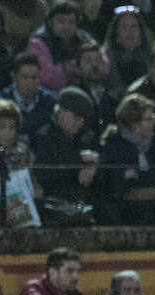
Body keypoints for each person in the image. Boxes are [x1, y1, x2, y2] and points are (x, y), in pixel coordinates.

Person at [31, 85, 101, 217]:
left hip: (86, 200)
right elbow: (45, 175)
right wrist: (80, 160)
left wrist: (94, 164)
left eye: (83, 118)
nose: (80, 122)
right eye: (75, 117)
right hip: (56, 201)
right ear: (61, 111)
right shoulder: (44, 136)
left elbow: (104, 170)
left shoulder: (88, 137)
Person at [100, 92, 155, 226]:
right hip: (124, 207)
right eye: (149, 119)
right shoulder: (115, 143)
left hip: (153, 203)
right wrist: (140, 184)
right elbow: (117, 184)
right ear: (134, 124)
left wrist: (136, 178)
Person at [27, 0, 99, 93]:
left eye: (71, 22)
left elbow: (104, 64)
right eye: (61, 20)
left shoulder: (84, 39)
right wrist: (70, 68)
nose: (66, 26)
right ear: (50, 21)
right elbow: (44, 77)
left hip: (85, 91)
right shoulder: (38, 42)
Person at [0, 52, 60, 142]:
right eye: (24, 77)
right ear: (14, 77)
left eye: (34, 77)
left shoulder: (51, 101)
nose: (30, 82)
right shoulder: (1, 101)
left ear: (40, 76)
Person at [18, 247, 92, 295]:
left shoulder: (73, 294)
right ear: (53, 273)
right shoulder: (34, 288)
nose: (76, 277)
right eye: (69, 271)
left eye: (77, 271)